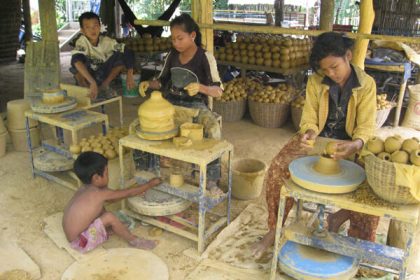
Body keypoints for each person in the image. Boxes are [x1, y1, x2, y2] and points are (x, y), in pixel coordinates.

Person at [252, 32, 379, 258]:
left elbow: (367, 127)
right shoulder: (315, 81)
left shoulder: (366, 85)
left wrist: (356, 144)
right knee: (277, 171)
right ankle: (274, 229)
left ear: (348, 56)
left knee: (373, 187)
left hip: (352, 144)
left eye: (334, 67)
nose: (331, 73)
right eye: (325, 70)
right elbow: (309, 117)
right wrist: (309, 132)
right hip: (318, 141)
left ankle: (352, 234)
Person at [138, 13, 223, 192]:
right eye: (173, 39)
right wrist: (149, 83)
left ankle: (212, 179)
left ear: (192, 36)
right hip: (171, 105)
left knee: (213, 130)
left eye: (180, 38)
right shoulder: (172, 55)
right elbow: (161, 81)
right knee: (141, 127)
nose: (176, 43)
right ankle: (145, 171)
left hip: (196, 107)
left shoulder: (205, 57)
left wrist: (201, 88)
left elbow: (218, 91)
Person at [62, 151, 161, 253]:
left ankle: (110, 228)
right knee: (109, 217)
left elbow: (112, 199)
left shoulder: (84, 188)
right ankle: (134, 241)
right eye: (106, 173)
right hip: (81, 243)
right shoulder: (99, 194)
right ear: (96, 178)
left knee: (101, 209)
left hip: (73, 235)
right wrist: (149, 185)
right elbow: (128, 193)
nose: (108, 176)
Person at [70, 12, 135, 100]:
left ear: (100, 27)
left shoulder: (107, 41)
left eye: (95, 26)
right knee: (76, 62)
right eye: (88, 27)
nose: (92, 30)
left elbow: (127, 51)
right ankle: (85, 87)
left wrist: (129, 74)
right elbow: (76, 60)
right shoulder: (82, 42)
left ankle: (104, 86)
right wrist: (92, 82)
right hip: (87, 75)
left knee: (121, 55)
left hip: (101, 74)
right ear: (82, 30)